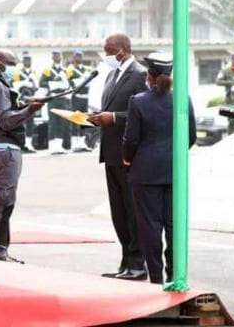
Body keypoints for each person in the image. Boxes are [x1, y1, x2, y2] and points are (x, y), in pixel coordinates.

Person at [122, 53, 196, 284]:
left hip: (145, 173)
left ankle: (156, 278)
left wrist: (127, 161)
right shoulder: (183, 99)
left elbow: (131, 139)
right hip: (175, 172)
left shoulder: (138, 101)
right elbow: (191, 136)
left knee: (150, 226)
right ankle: (174, 274)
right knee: (174, 225)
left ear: (149, 76)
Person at [89, 33, 148, 281]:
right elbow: (112, 109)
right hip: (111, 153)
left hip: (130, 155)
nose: (106, 55)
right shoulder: (112, 74)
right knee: (119, 212)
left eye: (108, 50)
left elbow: (145, 111)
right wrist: (96, 119)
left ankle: (138, 264)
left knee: (132, 211)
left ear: (122, 50)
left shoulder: (141, 74)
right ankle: (126, 262)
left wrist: (113, 118)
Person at [0, 49, 44, 263]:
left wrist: (25, 106)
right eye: (10, 63)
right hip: (3, 150)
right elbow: (5, 120)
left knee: (4, 200)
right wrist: (29, 111)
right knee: (1, 200)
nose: (13, 67)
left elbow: (4, 113)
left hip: (2, 149)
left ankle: (0, 249)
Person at [39, 49, 71, 154]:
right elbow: (41, 83)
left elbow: (69, 85)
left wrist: (63, 81)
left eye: (59, 55)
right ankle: (52, 147)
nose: (57, 57)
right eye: (55, 55)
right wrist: (53, 83)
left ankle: (59, 146)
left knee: (61, 123)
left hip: (62, 98)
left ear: (61, 57)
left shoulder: (64, 70)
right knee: (53, 123)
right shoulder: (48, 70)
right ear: (52, 57)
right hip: (53, 98)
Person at [67, 50, 93, 152]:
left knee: (84, 120)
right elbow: (69, 82)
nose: (78, 58)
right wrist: (77, 82)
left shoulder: (86, 69)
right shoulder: (70, 70)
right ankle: (74, 144)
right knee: (75, 120)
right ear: (73, 58)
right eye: (77, 56)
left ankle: (82, 143)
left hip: (85, 97)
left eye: (80, 56)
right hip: (76, 97)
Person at [12, 52, 38, 150]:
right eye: (26, 60)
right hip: (22, 100)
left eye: (29, 60)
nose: (27, 62)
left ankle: (29, 144)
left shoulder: (34, 73)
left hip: (31, 99)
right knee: (22, 122)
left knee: (30, 123)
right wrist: (23, 83)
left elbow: (37, 87)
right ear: (23, 62)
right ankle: (21, 143)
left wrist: (32, 82)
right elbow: (13, 85)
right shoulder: (18, 73)